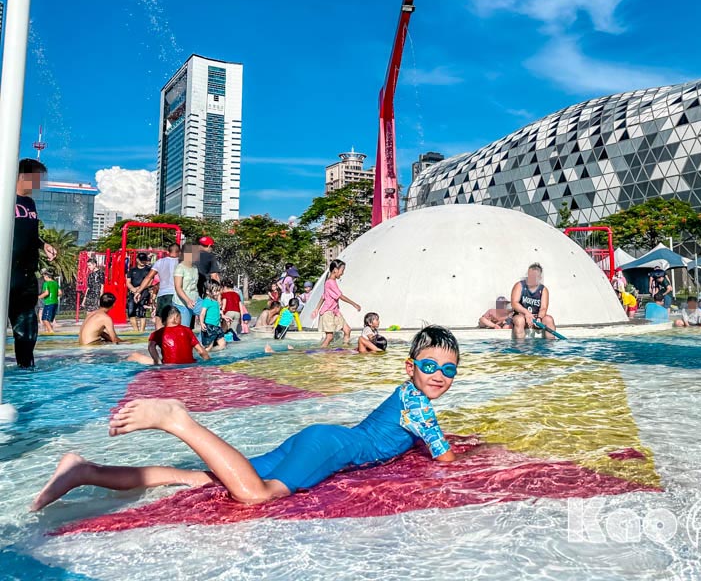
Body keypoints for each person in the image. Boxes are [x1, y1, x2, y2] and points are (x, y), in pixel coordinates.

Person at [32, 325, 462, 512]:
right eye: (430, 367)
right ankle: (177, 420)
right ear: (410, 367)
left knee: (201, 479)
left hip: (321, 440)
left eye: (449, 370)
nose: (439, 377)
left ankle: (83, 471)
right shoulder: (421, 408)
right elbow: (445, 459)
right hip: (333, 449)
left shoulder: (408, 394)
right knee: (256, 495)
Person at [9, 159, 58, 367]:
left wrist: (43, 244)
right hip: (7, 273)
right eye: (37, 179)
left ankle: (26, 369)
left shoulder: (29, 203)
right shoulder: (4, 196)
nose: (40, 184)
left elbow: (27, 233)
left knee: (27, 328)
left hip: (27, 275)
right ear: (22, 176)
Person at [127, 306, 211, 366]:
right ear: (175, 318)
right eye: (180, 318)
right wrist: (208, 362)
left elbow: (151, 347)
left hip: (168, 366)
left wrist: (158, 362)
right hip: (190, 364)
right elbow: (201, 351)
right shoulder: (187, 330)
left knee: (134, 356)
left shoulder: (158, 333)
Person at [312, 260, 361, 347]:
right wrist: (354, 304)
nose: (343, 273)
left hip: (335, 311)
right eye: (342, 270)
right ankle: (320, 352)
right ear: (335, 270)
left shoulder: (331, 281)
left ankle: (344, 348)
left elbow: (324, 296)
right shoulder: (330, 282)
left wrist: (316, 308)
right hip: (328, 312)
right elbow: (340, 296)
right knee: (329, 337)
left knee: (347, 330)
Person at [137, 243, 181, 330]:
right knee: (177, 319)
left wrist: (139, 291)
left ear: (168, 252)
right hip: (179, 295)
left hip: (163, 294)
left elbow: (148, 277)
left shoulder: (160, 262)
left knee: (159, 319)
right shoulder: (182, 263)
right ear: (179, 252)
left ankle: (159, 339)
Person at [510, 263, 557, 339]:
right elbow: (514, 303)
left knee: (549, 319)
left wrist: (539, 318)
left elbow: (543, 308)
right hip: (522, 315)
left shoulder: (543, 290)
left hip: (536, 317)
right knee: (519, 320)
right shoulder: (519, 285)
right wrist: (526, 313)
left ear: (539, 277)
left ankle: (549, 346)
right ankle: (521, 347)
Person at [125, 253, 153, 334]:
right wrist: (134, 289)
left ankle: (142, 331)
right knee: (131, 311)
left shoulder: (148, 270)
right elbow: (128, 282)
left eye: (144, 260)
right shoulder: (132, 270)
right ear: (137, 260)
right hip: (133, 291)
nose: (142, 262)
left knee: (142, 311)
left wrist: (140, 289)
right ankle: (136, 330)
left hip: (144, 291)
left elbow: (150, 282)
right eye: (141, 260)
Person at [173, 246, 201, 327]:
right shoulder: (180, 267)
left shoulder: (195, 268)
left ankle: (201, 339)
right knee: (184, 329)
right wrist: (187, 300)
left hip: (195, 299)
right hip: (182, 302)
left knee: (211, 313)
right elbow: (178, 287)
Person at [198, 282, 225, 350]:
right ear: (207, 291)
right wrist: (201, 323)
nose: (217, 293)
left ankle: (214, 355)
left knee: (223, 345)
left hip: (216, 326)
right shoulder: (207, 301)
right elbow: (202, 313)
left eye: (218, 291)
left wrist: (224, 317)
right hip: (209, 326)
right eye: (215, 291)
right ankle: (205, 355)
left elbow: (217, 313)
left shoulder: (215, 301)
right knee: (209, 346)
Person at [38, 269, 59, 335]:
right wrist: (53, 295)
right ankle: (48, 331)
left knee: (44, 319)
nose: (44, 278)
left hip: (49, 303)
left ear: (47, 276)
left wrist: (38, 297)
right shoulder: (55, 283)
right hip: (55, 303)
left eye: (44, 277)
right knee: (49, 319)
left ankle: (51, 331)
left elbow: (46, 293)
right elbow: (60, 293)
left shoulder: (46, 283)